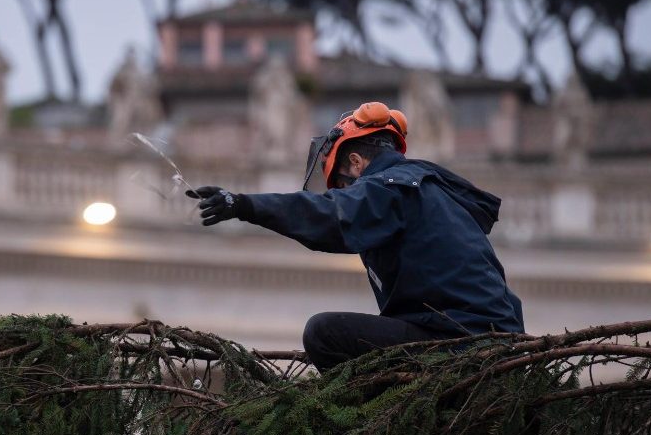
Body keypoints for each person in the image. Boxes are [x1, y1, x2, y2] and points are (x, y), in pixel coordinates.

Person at [187, 101, 524, 373]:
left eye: (344, 186)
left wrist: (243, 204)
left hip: (456, 344)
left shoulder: (389, 187)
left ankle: (370, 427)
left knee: (324, 334)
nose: (346, 193)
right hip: (493, 342)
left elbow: (329, 217)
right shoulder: (436, 193)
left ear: (357, 161)